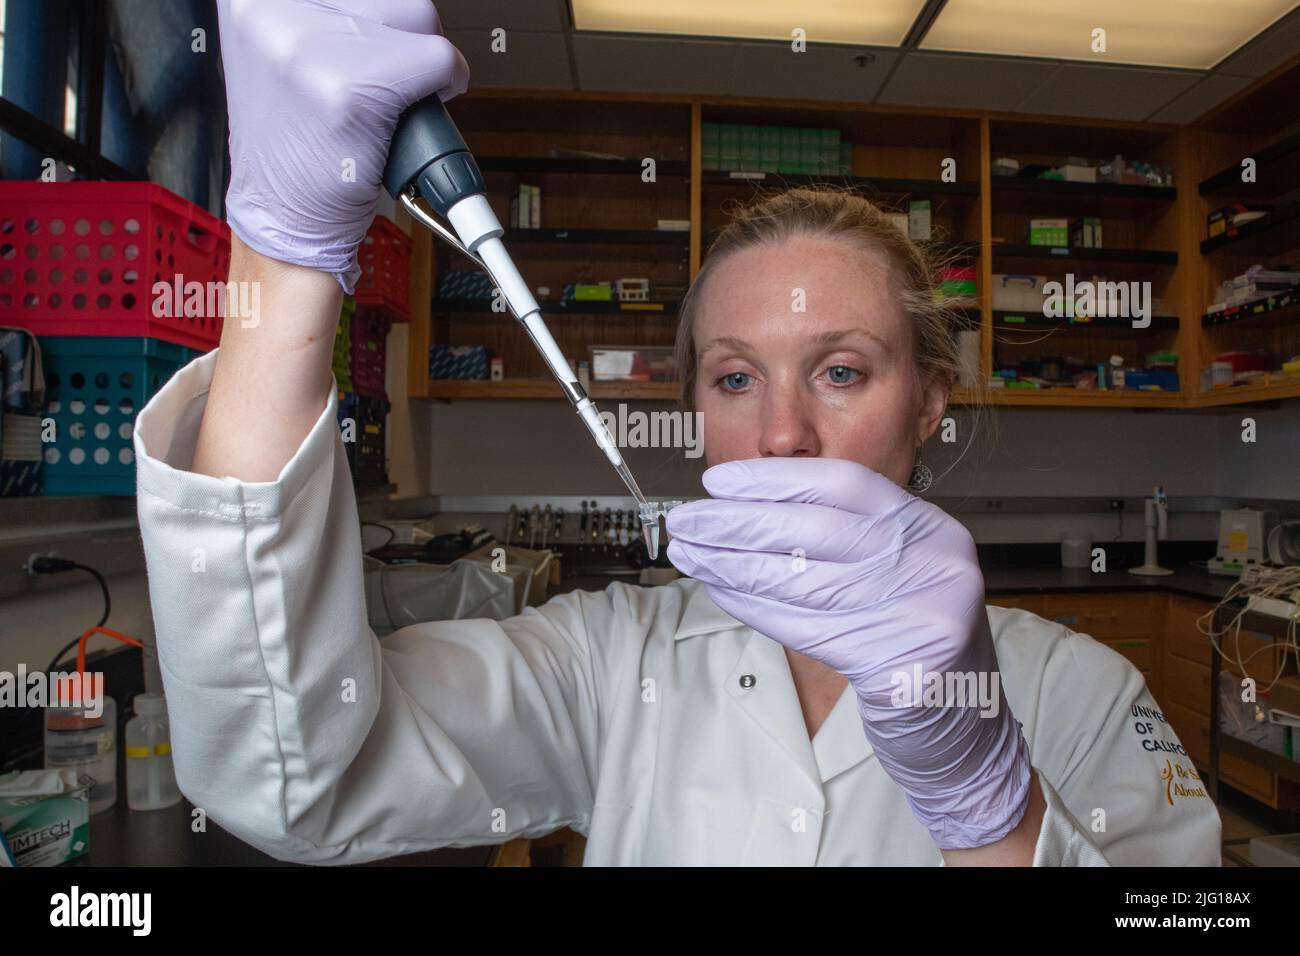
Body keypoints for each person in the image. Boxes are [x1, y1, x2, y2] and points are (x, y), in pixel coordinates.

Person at [132, 0, 1222, 865]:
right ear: (693, 404)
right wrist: (282, 250)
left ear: (931, 397)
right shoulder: (609, 661)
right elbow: (296, 777)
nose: (783, 432)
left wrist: (991, 804)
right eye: (735, 376)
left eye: (841, 370)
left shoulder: (1077, 694)